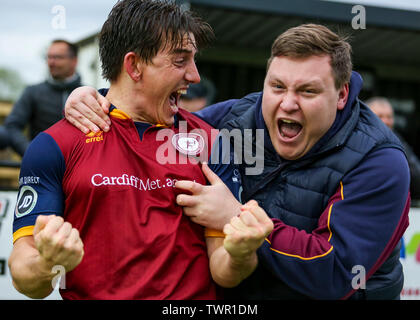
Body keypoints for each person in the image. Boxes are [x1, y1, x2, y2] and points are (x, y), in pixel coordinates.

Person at [64, 24, 410, 300]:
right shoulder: (237, 117)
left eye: (307, 91)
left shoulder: (379, 160)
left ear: (342, 94)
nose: (287, 103)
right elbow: (157, 121)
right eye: (277, 86)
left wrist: (235, 216)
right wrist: (99, 98)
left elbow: (336, 273)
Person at [8, 0, 273, 300]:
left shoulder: (212, 143)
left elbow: (223, 270)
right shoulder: (55, 145)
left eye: (193, 60)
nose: (195, 76)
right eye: (180, 60)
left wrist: (241, 253)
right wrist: (47, 262)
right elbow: (23, 274)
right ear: (134, 66)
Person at [0, 40, 82, 157]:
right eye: (49, 57)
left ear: (74, 61)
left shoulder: (88, 93)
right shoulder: (33, 92)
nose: (51, 62)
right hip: (42, 168)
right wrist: (32, 154)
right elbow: (12, 127)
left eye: (57, 57)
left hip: (79, 167)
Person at [366, 96, 420, 200]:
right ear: (367, 117)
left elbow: (417, 177)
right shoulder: (356, 141)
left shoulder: (398, 142)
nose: (386, 121)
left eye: (389, 117)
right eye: (380, 116)